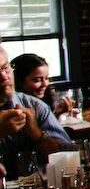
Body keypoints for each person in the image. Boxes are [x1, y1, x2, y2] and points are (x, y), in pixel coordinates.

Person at [0, 47, 74, 175]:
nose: (3, 77)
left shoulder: (35, 107)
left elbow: (70, 158)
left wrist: (36, 133)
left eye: (4, 68)